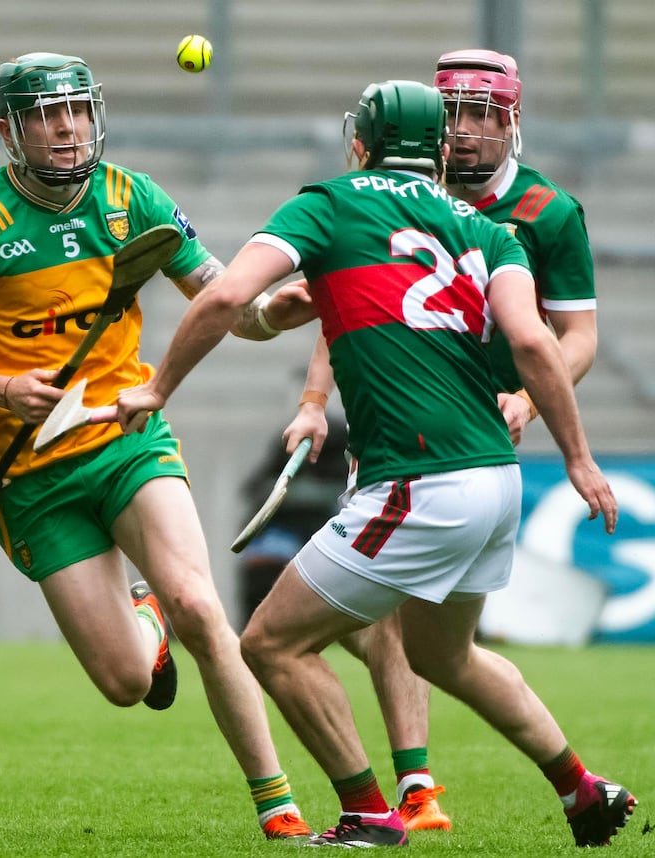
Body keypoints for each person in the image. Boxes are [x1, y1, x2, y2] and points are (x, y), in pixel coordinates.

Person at [115, 79, 636, 848]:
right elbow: (533, 344)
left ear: (360, 142)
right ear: (436, 150)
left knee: (269, 643)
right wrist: (580, 459)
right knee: (442, 653)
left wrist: (156, 386)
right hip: (496, 481)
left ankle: (366, 810)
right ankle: (582, 789)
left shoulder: (329, 202)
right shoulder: (489, 229)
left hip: (416, 482)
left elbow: (228, 300)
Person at [0, 52, 313, 841]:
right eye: (45, 115)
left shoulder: (133, 197)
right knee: (125, 683)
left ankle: (279, 806)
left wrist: (271, 314)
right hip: (32, 476)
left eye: (76, 111)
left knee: (201, 604)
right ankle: (142, 624)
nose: (65, 128)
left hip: (127, 441)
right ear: (7, 132)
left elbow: (223, 297)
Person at [283, 48, 603, 834]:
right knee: (411, 636)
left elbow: (576, 336)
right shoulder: (398, 195)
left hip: (465, 442)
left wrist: (531, 399)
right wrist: (314, 398)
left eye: (480, 116)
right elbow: (347, 300)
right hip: (403, 432)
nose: (461, 133)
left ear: (511, 123)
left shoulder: (547, 214)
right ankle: (505, 784)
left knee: (306, 633)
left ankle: (392, 799)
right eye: (449, 114)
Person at [236, 418, 348, 626]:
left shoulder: (337, 445)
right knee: (262, 562)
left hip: (322, 532)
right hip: (282, 533)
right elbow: (255, 488)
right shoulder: (287, 452)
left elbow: (342, 494)